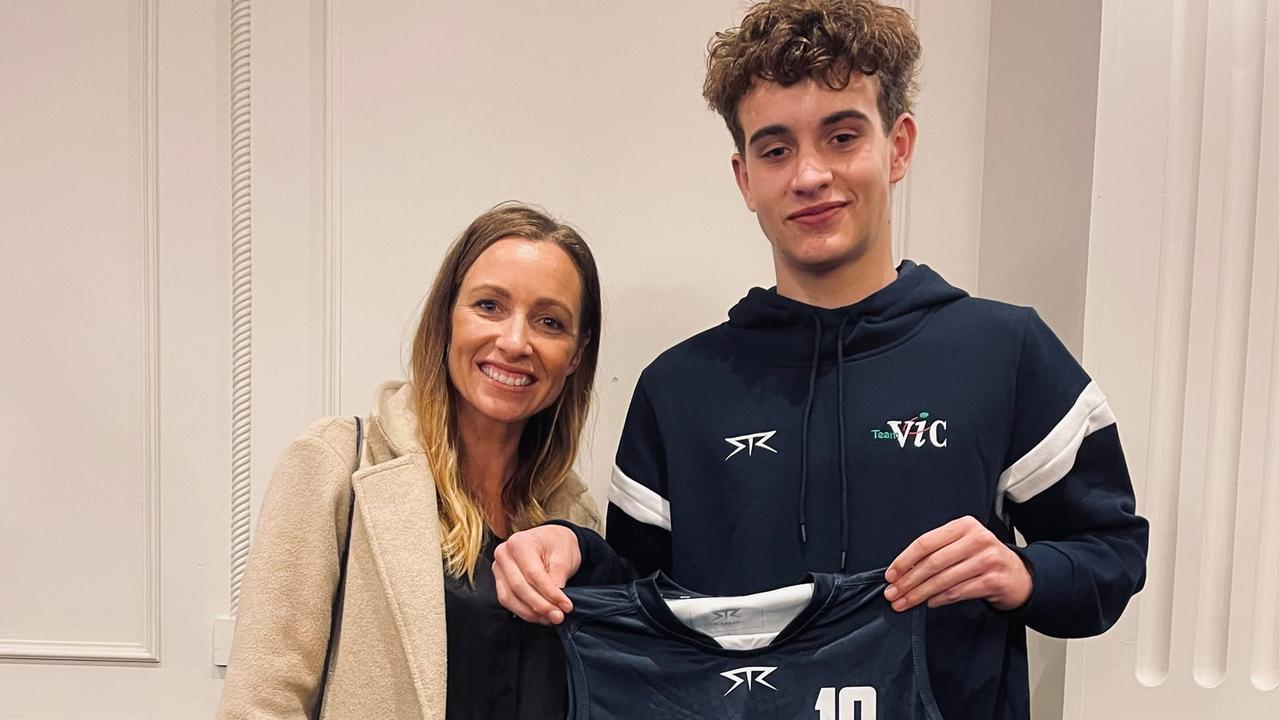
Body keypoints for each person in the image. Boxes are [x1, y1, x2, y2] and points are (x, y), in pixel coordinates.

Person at [492, 2, 1149, 719]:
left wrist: (1021, 570)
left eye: (840, 136)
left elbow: (1111, 555)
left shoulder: (1005, 353)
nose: (809, 175)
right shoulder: (678, 389)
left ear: (896, 147)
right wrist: (570, 551)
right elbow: (644, 603)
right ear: (744, 178)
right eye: (775, 150)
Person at [216, 203, 603, 720]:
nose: (514, 342)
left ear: (575, 354)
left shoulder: (576, 519)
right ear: (446, 317)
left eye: (549, 321)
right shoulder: (338, 465)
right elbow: (262, 702)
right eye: (489, 306)